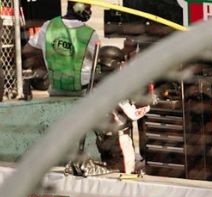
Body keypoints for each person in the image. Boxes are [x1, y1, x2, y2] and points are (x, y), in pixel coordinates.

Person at [93, 46, 151, 175]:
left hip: (102, 139)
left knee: (109, 172)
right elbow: (133, 114)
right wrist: (148, 104)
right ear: (115, 64)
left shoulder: (94, 84)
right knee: (124, 173)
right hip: (118, 140)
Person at [22, 2, 99, 96]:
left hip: (56, 90)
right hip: (82, 92)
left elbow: (27, 50)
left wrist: (45, 62)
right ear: (78, 7)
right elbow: (96, 61)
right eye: (88, 8)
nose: (89, 11)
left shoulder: (48, 26)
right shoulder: (91, 34)